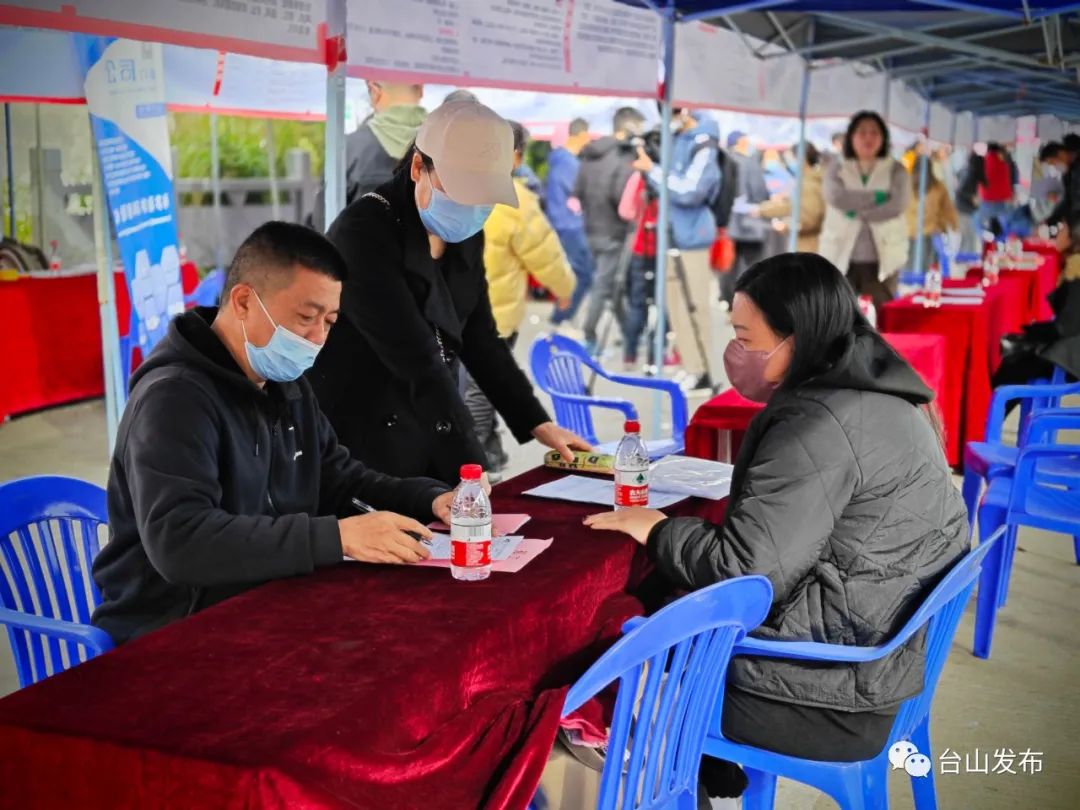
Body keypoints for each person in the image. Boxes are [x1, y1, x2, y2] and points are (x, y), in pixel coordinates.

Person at [584, 252, 967, 801]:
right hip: (885, 658)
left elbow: (747, 573)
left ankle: (680, 782)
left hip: (829, 694)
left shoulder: (817, 424)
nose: (735, 350)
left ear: (797, 338)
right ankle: (708, 768)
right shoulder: (883, 391)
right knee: (663, 608)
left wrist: (659, 529)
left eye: (746, 335)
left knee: (629, 652)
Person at [92, 222, 455, 645]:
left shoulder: (286, 383)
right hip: (174, 629)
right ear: (244, 301)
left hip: (268, 600)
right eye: (305, 317)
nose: (318, 339)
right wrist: (337, 537)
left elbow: (338, 480)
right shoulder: (173, 400)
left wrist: (429, 498)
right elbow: (182, 542)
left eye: (330, 321)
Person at [308, 98, 589, 485]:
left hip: (429, 417)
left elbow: (480, 336)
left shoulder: (463, 233)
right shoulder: (363, 233)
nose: (472, 206)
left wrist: (536, 421)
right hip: (362, 425)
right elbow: (416, 359)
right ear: (419, 167)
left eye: (484, 195)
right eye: (461, 190)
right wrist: (470, 469)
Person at [467, 121, 576, 475]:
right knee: (480, 393)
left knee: (470, 388)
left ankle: (488, 456)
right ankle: (474, 461)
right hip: (496, 316)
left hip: (455, 312)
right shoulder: (517, 200)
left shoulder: (456, 189)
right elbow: (546, 257)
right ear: (514, 157)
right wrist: (564, 291)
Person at [631, 108, 721, 392]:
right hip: (669, 233)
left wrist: (653, 171)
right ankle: (691, 366)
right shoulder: (676, 138)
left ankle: (704, 370)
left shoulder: (704, 142)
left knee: (694, 306)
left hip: (692, 236)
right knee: (676, 307)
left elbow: (690, 190)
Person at [819, 110, 909, 310]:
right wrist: (878, 197)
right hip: (841, 256)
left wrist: (856, 211)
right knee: (839, 318)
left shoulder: (896, 169)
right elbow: (836, 197)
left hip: (883, 258)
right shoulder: (836, 167)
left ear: (883, 138)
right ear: (851, 137)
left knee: (880, 318)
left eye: (874, 132)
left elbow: (897, 205)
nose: (868, 137)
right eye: (862, 132)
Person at [576, 106, 646, 355]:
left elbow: (579, 192)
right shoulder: (623, 158)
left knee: (610, 284)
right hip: (615, 232)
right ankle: (589, 334)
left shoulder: (590, 154)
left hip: (592, 228)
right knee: (604, 286)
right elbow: (623, 200)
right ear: (628, 127)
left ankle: (629, 332)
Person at [310, 81, 426, 231]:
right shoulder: (446, 144)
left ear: (375, 91)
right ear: (421, 89)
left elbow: (324, 224)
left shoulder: (347, 149)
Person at [547, 117, 596, 330]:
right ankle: (561, 317)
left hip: (564, 225)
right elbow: (585, 194)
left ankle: (562, 316)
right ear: (581, 135)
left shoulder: (560, 161)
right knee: (583, 275)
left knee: (576, 275)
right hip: (571, 227)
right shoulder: (569, 164)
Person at [722, 130, 770, 308]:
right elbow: (759, 192)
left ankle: (728, 300)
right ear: (741, 142)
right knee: (752, 264)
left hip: (727, 222)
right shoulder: (750, 163)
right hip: (750, 222)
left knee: (729, 264)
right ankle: (746, 302)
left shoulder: (723, 161)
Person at [753, 142, 825, 253]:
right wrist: (763, 209)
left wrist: (786, 226)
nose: (789, 162)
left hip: (808, 246)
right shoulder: (805, 180)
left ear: (802, 159)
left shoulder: (808, 184)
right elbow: (791, 205)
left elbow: (809, 219)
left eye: (791, 158)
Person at [906, 155, 959, 268]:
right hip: (925, 234)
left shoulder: (907, 185)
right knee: (926, 270)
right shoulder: (937, 186)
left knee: (914, 270)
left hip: (918, 234)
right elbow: (948, 209)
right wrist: (952, 225)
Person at [975, 142, 1016, 237]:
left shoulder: (984, 161)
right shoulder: (1005, 160)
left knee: (984, 229)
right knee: (1007, 228)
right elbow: (1012, 178)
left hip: (987, 200)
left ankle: (992, 246)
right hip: (1004, 199)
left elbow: (979, 180)